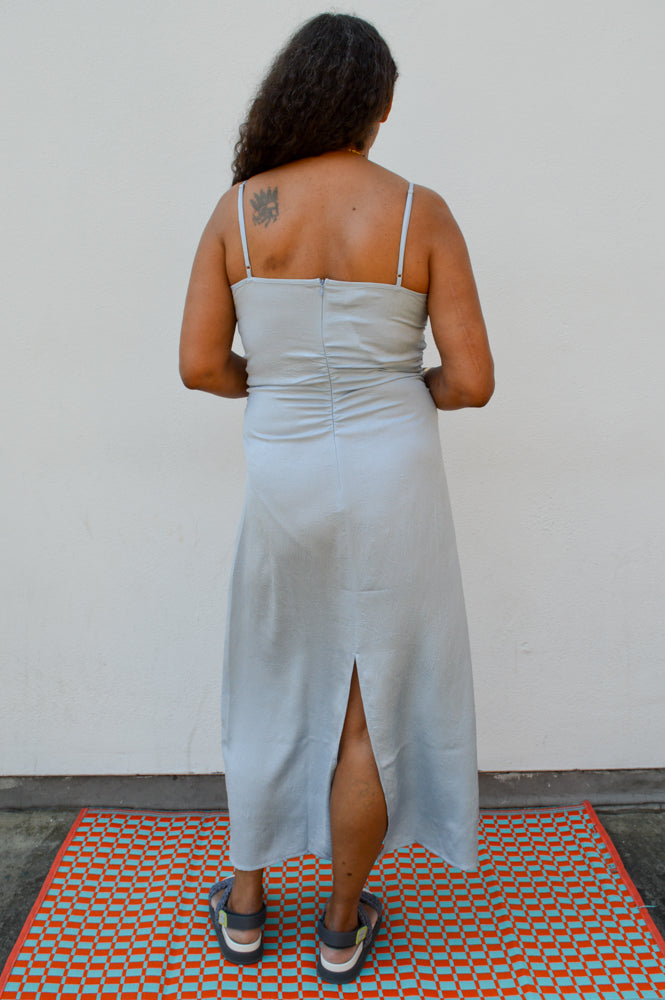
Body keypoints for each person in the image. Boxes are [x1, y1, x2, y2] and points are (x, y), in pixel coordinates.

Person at [179, 12, 494, 985]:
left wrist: (277, 387)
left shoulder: (240, 212)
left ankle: (244, 903)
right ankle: (342, 923)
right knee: (367, 699)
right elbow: (472, 381)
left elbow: (200, 365)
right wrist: (404, 389)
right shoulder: (419, 212)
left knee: (267, 676)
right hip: (393, 467)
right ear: (377, 106)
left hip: (284, 467)